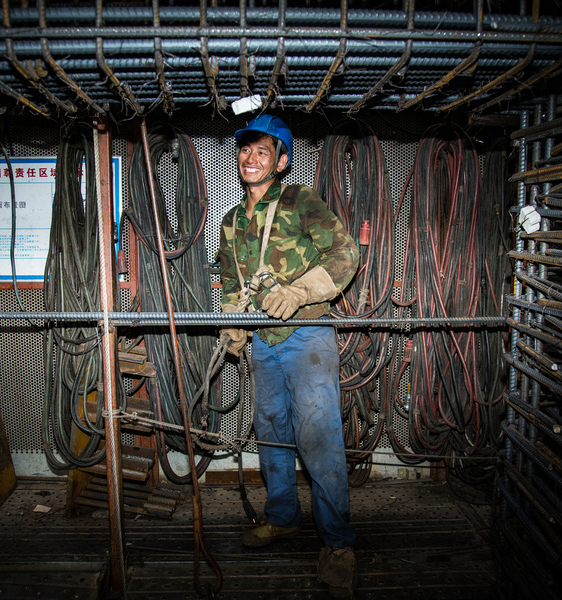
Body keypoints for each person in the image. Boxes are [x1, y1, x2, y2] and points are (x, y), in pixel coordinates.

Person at [216, 114, 359, 599]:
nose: (251, 158)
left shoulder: (301, 201)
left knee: (318, 435)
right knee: (271, 431)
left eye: (263, 151)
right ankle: (282, 518)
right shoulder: (233, 220)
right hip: (263, 339)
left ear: (280, 160)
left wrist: (299, 292)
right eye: (246, 150)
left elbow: (344, 254)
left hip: (307, 333)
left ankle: (338, 545)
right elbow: (234, 284)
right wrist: (234, 323)